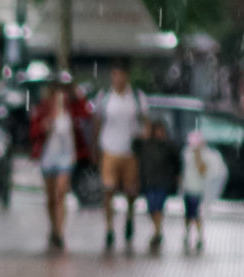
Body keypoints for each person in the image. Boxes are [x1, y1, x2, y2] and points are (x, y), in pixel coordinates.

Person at [29, 79, 91, 252]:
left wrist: (77, 94)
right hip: (48, 156)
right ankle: (53, 227)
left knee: (60, 193)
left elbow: (86, 114)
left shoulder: (72, 110)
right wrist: (44, 126)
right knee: (50, 197)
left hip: (66, 157)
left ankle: (60, 232)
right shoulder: (44, 109)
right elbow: (33, 131)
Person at [94, 66, 146, 251]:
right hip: (109, 148)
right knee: (108, 190)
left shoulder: (137, 98)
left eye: (121, 74)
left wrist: (143, 139)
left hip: (130, 151)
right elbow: (97, 122)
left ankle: (129, 218)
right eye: (115, 74)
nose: (118, 78)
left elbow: (145, 122)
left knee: (130, 191)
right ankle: (109, 228)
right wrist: (96, 148)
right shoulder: (105, 98)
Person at [134, 117, 181, 253]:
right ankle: (157, 230)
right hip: (149, 181)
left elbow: (176, 163)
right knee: (151, 207)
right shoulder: (146, 144)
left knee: (158, 206)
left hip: (162, 181)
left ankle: (157, 232)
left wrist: (176, 177)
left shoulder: (169, 146)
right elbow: (135, 145)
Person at [178, 129, 225, 254]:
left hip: (198, 189)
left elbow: (203, 170)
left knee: (196, 214)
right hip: (188, 188)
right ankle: (187, 234)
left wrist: (198, 156)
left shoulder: (205, 155)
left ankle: (199, 236)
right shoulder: (187, 153)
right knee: (188, 214)